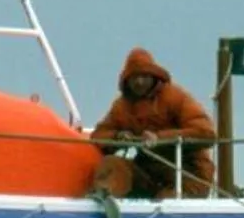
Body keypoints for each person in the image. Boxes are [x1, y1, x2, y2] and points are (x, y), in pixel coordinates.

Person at [90, 48, 218, 199]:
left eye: (144, 76)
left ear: (154, 76)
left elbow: (206, 133)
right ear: (126, 80)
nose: (139, 82)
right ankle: (103, 198)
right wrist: (118, 138)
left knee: (167, 201)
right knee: (113, 164)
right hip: (149, 172)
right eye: (134, 77)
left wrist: (160, 138)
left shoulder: (176, 97)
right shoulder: (121, 106)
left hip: (188, 174)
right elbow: (98, 135)